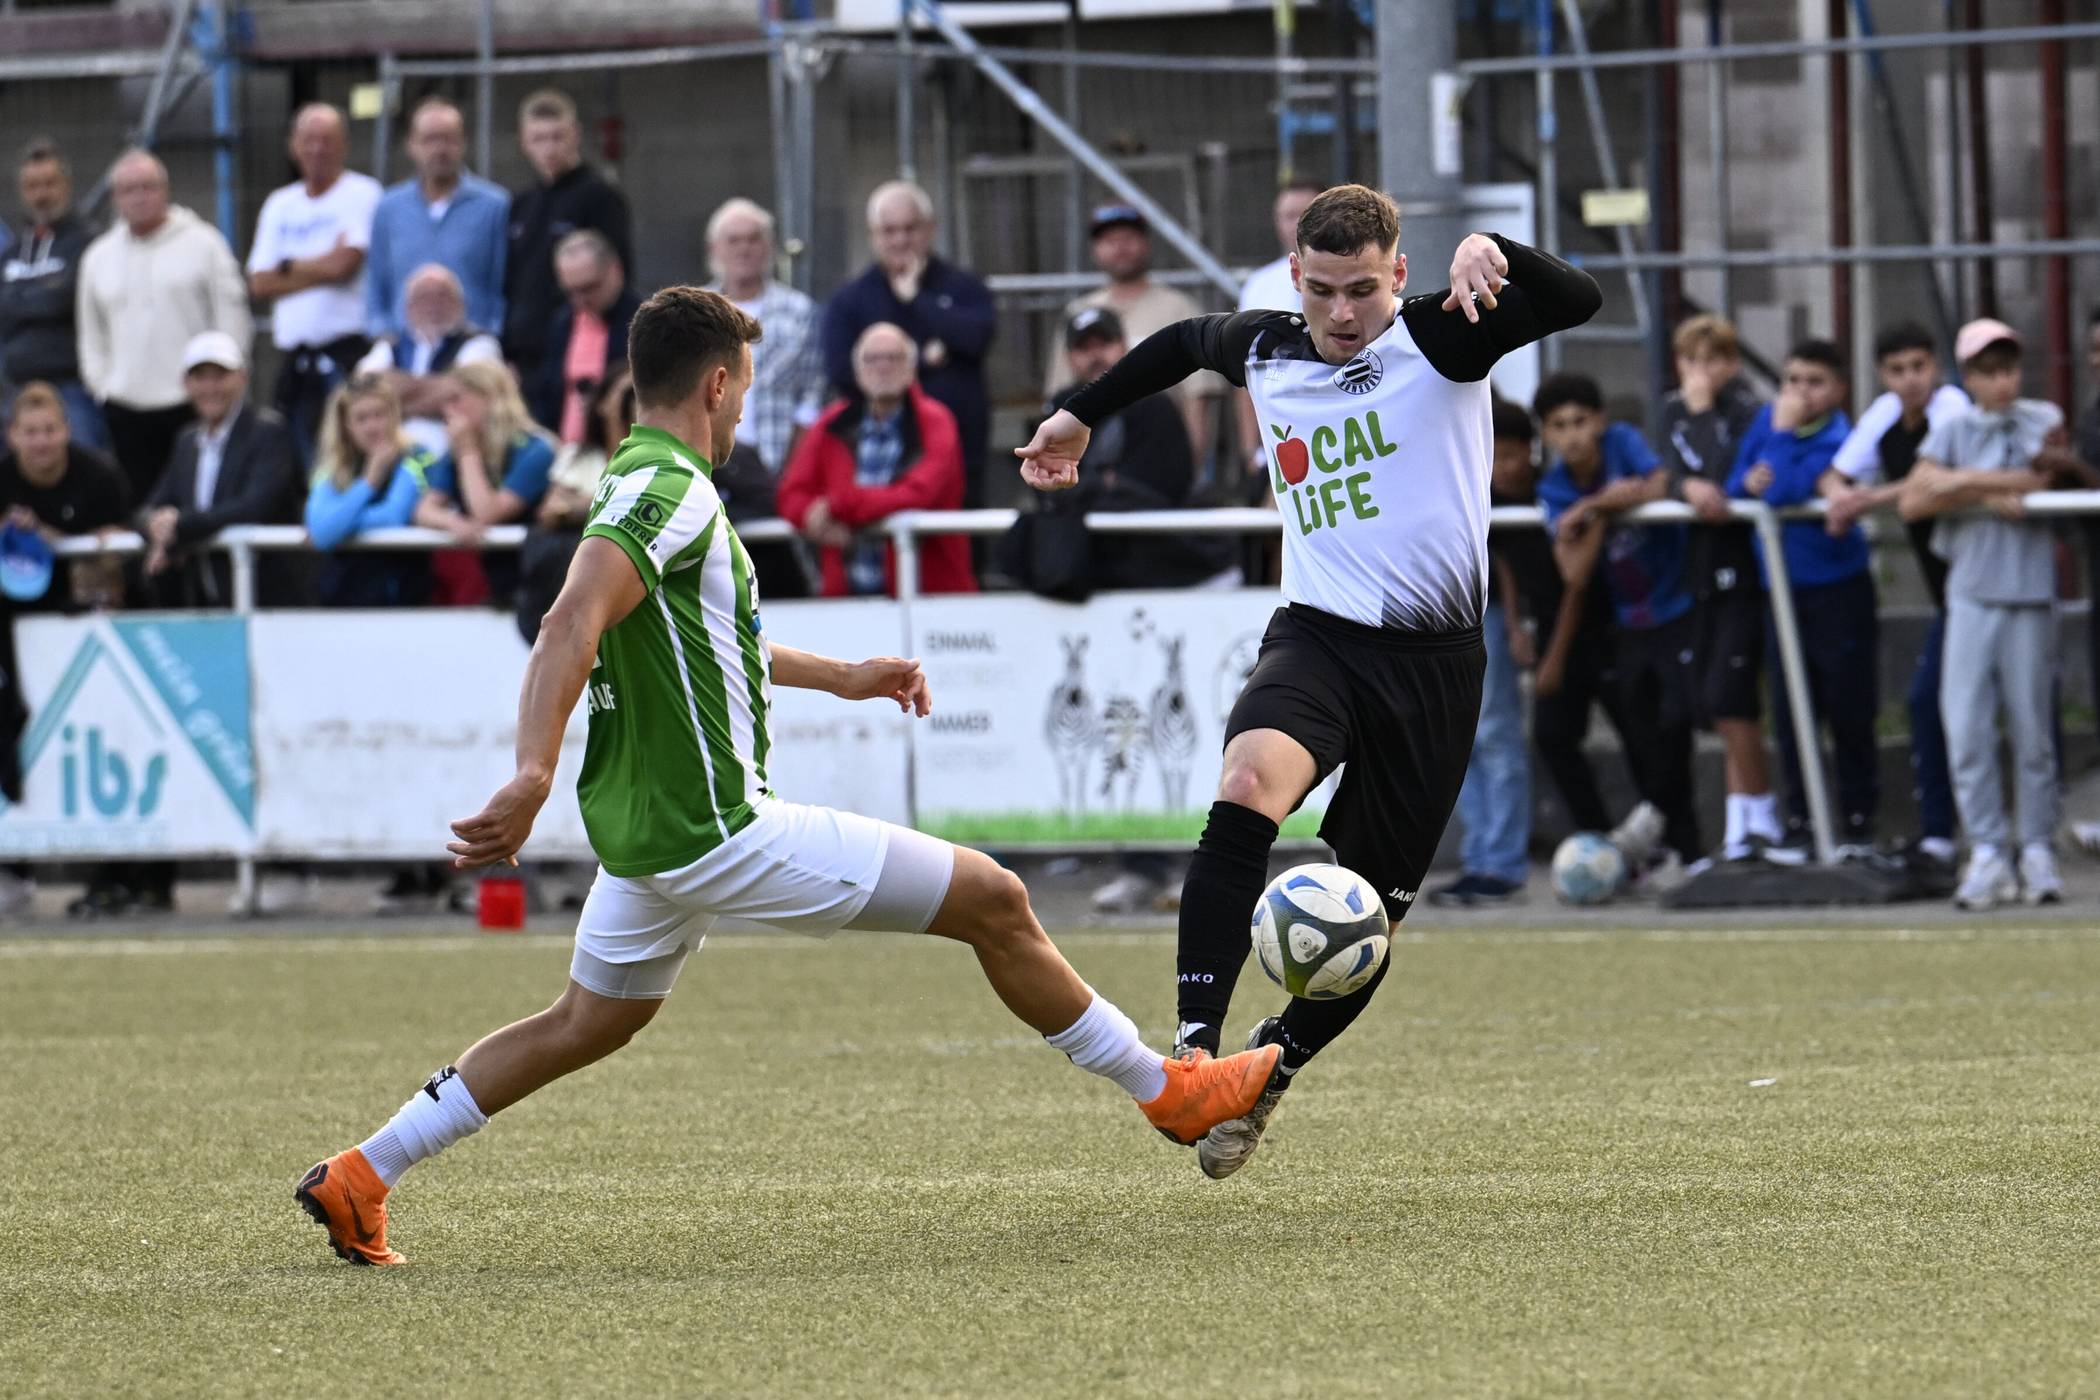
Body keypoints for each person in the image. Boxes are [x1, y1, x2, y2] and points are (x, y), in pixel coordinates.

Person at [293, 286, 1281, 1266]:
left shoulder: (640, 478)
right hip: (715, 825)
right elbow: (568, 624)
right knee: (995, 896)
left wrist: (842, 675)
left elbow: (711, 634)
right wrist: (530, 772)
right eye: (747, 389)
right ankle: (1172, 1093)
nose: (742, 409)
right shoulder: (667, 488)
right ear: (717, 384)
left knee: (585, 1021)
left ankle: (363, 1172)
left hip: (648, 836)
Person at [1016, 184, 1600, 1179]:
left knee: (1365, 916)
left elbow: (1577, 296)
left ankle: (1270, 1071)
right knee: (1246, 787)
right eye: (1323, 289)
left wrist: (1487, 247)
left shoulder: (1444, 336)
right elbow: (1178, 344)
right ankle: (1195, 1052)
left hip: (1435, 669)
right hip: (1318, 639)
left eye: (1363, 290)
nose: (1342, 314)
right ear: (1296, 277)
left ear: (1399, 276)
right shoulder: (1269, 344)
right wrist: (1073, 414)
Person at [1899, 319, 2085, 909]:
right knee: (1967, 727)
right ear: (1968, 377)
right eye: (1987, 370)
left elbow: (2035, 475)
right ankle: (1986, 848)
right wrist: (1977, 487)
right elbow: (1913, 498)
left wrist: (1953, 484)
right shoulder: (1950, 429)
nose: (2000, 381)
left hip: (2028, 592)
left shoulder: (2042, 417)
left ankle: (2034, 846)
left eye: (2007, 368)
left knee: (2031, 731)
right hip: (1971, 594)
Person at [1533, 372, 1701, 873]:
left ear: (1601, 421)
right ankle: (1657, 848)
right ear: (1546, 434)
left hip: (1676, 608)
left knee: (1675, 724)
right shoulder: (1555, 486)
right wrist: (1606, 508)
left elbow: (1656, 483)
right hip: (1630, 621)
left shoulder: (1624, 443)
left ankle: (1690, 852)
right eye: (1560, 426)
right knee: (1647, 732)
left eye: (1581, 421)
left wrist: (1591, 507)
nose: (1573, 435)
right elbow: (1576, 571)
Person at [1823, 324, 1972, 878]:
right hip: (1950, 596)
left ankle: (2010, 841)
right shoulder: (1886, 414)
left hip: (1984, 583)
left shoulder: (1954, 407)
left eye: (1919, 367)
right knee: (1927, 704)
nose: (1911, 381)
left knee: (2011, 711)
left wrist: (1866, 498)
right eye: (1898, 370)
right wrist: (1842, 498)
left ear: (1934, 367)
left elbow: (1928, 487)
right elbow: (1833, 477)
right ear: (1883, 375)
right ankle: (1941, 836)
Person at [1726, 339, 1870, 855]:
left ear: (1838, 390)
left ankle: (1856, 824)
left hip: (1836, 590)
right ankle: (1803, 822)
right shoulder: (1767, 423)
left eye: (1814, 382)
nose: (1799, 392)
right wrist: (1751, 478)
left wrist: (1779, 445)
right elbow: (1739, 484)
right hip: (1779, 593)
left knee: (1848, 707)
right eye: (1791, 380)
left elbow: (1784, 489)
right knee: (1789, 713)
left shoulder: (1841, 438)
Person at [0, 383, 131, 915]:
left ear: (66, 431)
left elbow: (119, 559)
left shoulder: (98, 476)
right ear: (12, 437)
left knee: (101, 732)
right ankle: (12, 865)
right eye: (30, 432)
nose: (41, 442)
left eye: (50, 430)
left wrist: (59, 541)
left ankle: (119, 874)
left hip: (82, 624)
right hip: (9, 625)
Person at [1658, 313, 1780, 863]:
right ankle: (1739, 826)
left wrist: (1705, 415)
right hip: (1699, 571)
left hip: (1744, 569)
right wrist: (1685, 487)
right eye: (1690, 361)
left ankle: (1761, 818)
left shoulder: (1745, 410)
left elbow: (1726, 470)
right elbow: (1674, 470)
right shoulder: (1670, 410)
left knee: (1734, 700)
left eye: (1711, 361)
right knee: (1714, 701)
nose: (1699, 374)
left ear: (1731, 364)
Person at [76, 149, 251, 505]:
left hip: (193, 404)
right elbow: (90, 333)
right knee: (140, 514)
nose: (140, 197)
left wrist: (222, 384)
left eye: (148, 186)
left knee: (199, 509)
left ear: (166, 190)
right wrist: (103, 386)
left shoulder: (205, 243)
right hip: (125, 409)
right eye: (129, 189)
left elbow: (233, 319)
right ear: (114, 199)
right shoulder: (97, 256)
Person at [1428, 400, 1541, 907]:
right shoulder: (1447, 463)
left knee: (1494, 735)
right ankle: (1481, 858)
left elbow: (1507, 562)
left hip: (1483, 615)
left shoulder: (1492, 482)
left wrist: (1517, 625)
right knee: (1459, 742)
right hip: (1441, 615)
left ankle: (1501, 862)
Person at [821, 181, 995, 504]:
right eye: (889, 231)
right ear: (873, 235)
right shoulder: (851, 298)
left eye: (910, 229)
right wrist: (925, 360)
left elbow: (977, 338)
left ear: (930, 229)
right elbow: (840, 372)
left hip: (959, 454)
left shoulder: (963, 286)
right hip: (874, 459)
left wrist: (918, 299)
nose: (900, 240)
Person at [776, 322, 974, 598]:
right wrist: (809, 515)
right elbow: (791, 494)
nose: (882, 367)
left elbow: (917, 494)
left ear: (911, 369)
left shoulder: (936, 422)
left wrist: (836, 505)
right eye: (872, 358)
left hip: (927, 603)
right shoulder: (831, 423)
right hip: (846, 601)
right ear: (858, 371)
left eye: (893, 358)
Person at [246, 104, 383, 463]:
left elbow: (345, 266)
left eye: (327, 140)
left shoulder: (362, 193)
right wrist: (318, 265)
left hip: (346, 355)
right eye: (309, 140)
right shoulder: (280, 204)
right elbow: (259, 283)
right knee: (290, 457)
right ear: (293, 146)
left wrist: (288, 267)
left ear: (345, 146)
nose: (318, 149)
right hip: (295, 361)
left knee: (343, 456)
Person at [703, 196, 823, 601]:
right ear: (714, 250)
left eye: (754, 239)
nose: (744, 248)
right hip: (708, 469)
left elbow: (812, 402)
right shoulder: (693, 312)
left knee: (776, 580)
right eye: (733, 240)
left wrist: (793, 471)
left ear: (769, 247)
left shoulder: (799, 311)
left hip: (772, 468)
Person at [137, 330, 304, 610]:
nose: (210, 387)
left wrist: (179, 527)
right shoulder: (187, 441)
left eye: (220, 375)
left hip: (271, 601)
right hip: (207, 598)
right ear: (186, 384)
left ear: (243, 378)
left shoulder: (269, 433)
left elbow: (253, 507)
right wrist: (155, 526)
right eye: (200, 377)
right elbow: (152, 506)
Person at [1048, 204, 1226, 464]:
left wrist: (1190, 468)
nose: (1120, 248)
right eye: (1109, 241)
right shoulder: (1078, 312)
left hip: (1160, 462)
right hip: (1088, 466)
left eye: (1128, 238)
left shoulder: (1179, 308)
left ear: (1146, 243)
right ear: (1094, 250)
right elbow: (1059, 398)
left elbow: (1197, 398)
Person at [502, 88, 632, 375]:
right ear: (523, 141)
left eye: (557, 137)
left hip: (575, 352)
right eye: (538, 138)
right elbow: (512, 283)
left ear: (575, 133)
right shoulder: (521, 205)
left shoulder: (600, 197)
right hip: (524, 358)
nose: (549, 148)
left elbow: (618, 279)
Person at [366, 98, 509, 343]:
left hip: (470, 351)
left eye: (448, 139)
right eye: (430, 139)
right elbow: (376, 280)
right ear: (411, 145)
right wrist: (382, 332)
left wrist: (491, 334)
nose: (440, 149)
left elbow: (502, 282)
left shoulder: (494, 205)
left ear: (463, 143)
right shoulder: (389, 207)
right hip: (403, 349)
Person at [414, 360, 556, 605]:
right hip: (494, 578)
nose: (448, 411)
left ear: (488, 397)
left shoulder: (536, 449)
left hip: (538, 581)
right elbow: (423, 510)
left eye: (456, 399)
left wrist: (468, 452)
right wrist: (452, 522)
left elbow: (487, 512)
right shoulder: (457, 451)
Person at [518, 363, 634, 645]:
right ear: (603, 403)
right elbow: (551, 511)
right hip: (577, 579)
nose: (635, 402)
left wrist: (581, 507)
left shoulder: (655, 460)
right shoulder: (578, 457)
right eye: (628, 394)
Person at [1, 140, 106, 450]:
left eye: (49, 184)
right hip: (16, 391)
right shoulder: (12, 252)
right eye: (32, 186)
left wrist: (21, 297)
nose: (41, 194)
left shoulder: (87, 242)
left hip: (72, 390)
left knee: (86, 474)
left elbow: (61, 300)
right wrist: (44, 293)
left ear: (66, 186)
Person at [304, 373, 437, 607]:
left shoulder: (419, 456)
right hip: (341, 601)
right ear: (346, 425)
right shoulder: (331, 467)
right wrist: (368, 482)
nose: (373, 427)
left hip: (404, 601)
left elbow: (393, 516)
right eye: (361, 418)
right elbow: (322, 532)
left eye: (379, 415)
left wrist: (341, 522)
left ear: (394, 416)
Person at [353, 263, 503, 458]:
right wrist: (439, 390)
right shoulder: (390, 346)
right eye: (423, 297)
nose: (433, 305)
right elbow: (362, 390)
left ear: (461, 304)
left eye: (443, 296)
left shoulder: (479, 342)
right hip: (393, 453)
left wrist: (394, 400)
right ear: (408, 308)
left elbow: (468, 397)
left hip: (454, 453)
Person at [526, 230, 640, 439]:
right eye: (571, 291)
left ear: (615, 270)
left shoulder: (642, 322)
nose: (581, 300)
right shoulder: (563, 322)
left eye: (590, 288)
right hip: (564, 452)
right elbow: (546, 392)